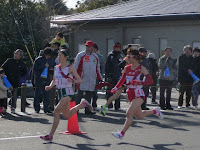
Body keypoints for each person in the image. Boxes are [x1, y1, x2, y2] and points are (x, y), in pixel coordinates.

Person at [110, 48, 164, 140]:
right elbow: (122, 79)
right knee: (139, 115)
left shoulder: (142, 68)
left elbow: (150, 80)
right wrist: (115, 87)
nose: (127, 58)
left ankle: (121, 134)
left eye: (129, 56)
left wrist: (139, 83)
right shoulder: (127, 68)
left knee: (129, 113)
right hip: (130, 93)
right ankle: (155, 111)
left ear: (134, 57)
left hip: (138, 93)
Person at [40, 49, 92, 142]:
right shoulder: (56, 67)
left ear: (65, 57)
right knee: (67, 116)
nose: (58, 57)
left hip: (68, 92)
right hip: (60, 92)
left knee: (56, 112)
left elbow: (79, 80)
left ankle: (50, 135)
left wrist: (73, 81)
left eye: (60, 55)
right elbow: (54, 80)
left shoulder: (70, 68)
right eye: (58, 55)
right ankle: (82, 104)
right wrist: (50, 86)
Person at [74, 41, 102, 115]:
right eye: (86, 46)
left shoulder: (95, 56)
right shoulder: (80, 55)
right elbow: (75, 66)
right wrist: (74, 76)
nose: (87, 48)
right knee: (79, 94)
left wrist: (100, 78)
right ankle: (75, 109)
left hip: (91, 78)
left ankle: (87, 110)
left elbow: (97, 68)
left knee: (89, 94)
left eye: (89, 47)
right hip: (82, 78)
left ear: (92, 47)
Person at [1, 49, 27, 113]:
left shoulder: (22, 63)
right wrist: (3, 73)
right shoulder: (9, 61)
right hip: (7, 79)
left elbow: (24, 71)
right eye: (15, 53)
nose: (15, 55)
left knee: (14, 95)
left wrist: (19, 75)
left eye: (17, 54)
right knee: (4, 94)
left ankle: (13, 107)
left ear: (20, 56)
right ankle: (4, 107)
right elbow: (2, 67)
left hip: (16, 80)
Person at [32, 48, 55, 113]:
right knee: (37, 95)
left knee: (47, 95)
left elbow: (54, 68)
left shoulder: (51, 60)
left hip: (47, 79)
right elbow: (35, 69)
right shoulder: (38, 60)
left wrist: (51, 69)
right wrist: (43, 66)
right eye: (48, 55)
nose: (49, 56)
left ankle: (46, 108)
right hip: (39, 79)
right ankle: (37, 108)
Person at [105, 42, 124, 111]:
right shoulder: (111, 56)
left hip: (119, 76)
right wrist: (108, 75)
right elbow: (107, 66)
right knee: (110, 91)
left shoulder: (121, 56)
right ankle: (110, 106)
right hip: (111, 76)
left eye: (119, 47)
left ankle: (117, 106)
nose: (117, 49)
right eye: (116, 47)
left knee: (118, 91)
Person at [92, 43, 105, 110]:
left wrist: (102, 76)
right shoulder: (87, 56)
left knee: (95, 92)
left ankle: (94, 105)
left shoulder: (100, 57)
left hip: (96, 76)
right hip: (88, 76)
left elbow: (102, 67)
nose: (93, 50)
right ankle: (87, 106)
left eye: (94, 49)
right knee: (87, 92)